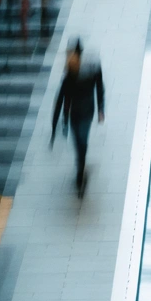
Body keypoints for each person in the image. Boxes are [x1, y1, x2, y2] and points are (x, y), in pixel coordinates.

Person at [51, 39, 104, 195]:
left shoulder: (69, 75)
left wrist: (55, 126)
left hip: (77, 113)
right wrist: (100, 107)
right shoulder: (91, 68)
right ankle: (81, 168)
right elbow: (100, 87)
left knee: (80, 141)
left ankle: (80, 172)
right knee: (82, 141)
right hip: (86, 111)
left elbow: (60, 101)